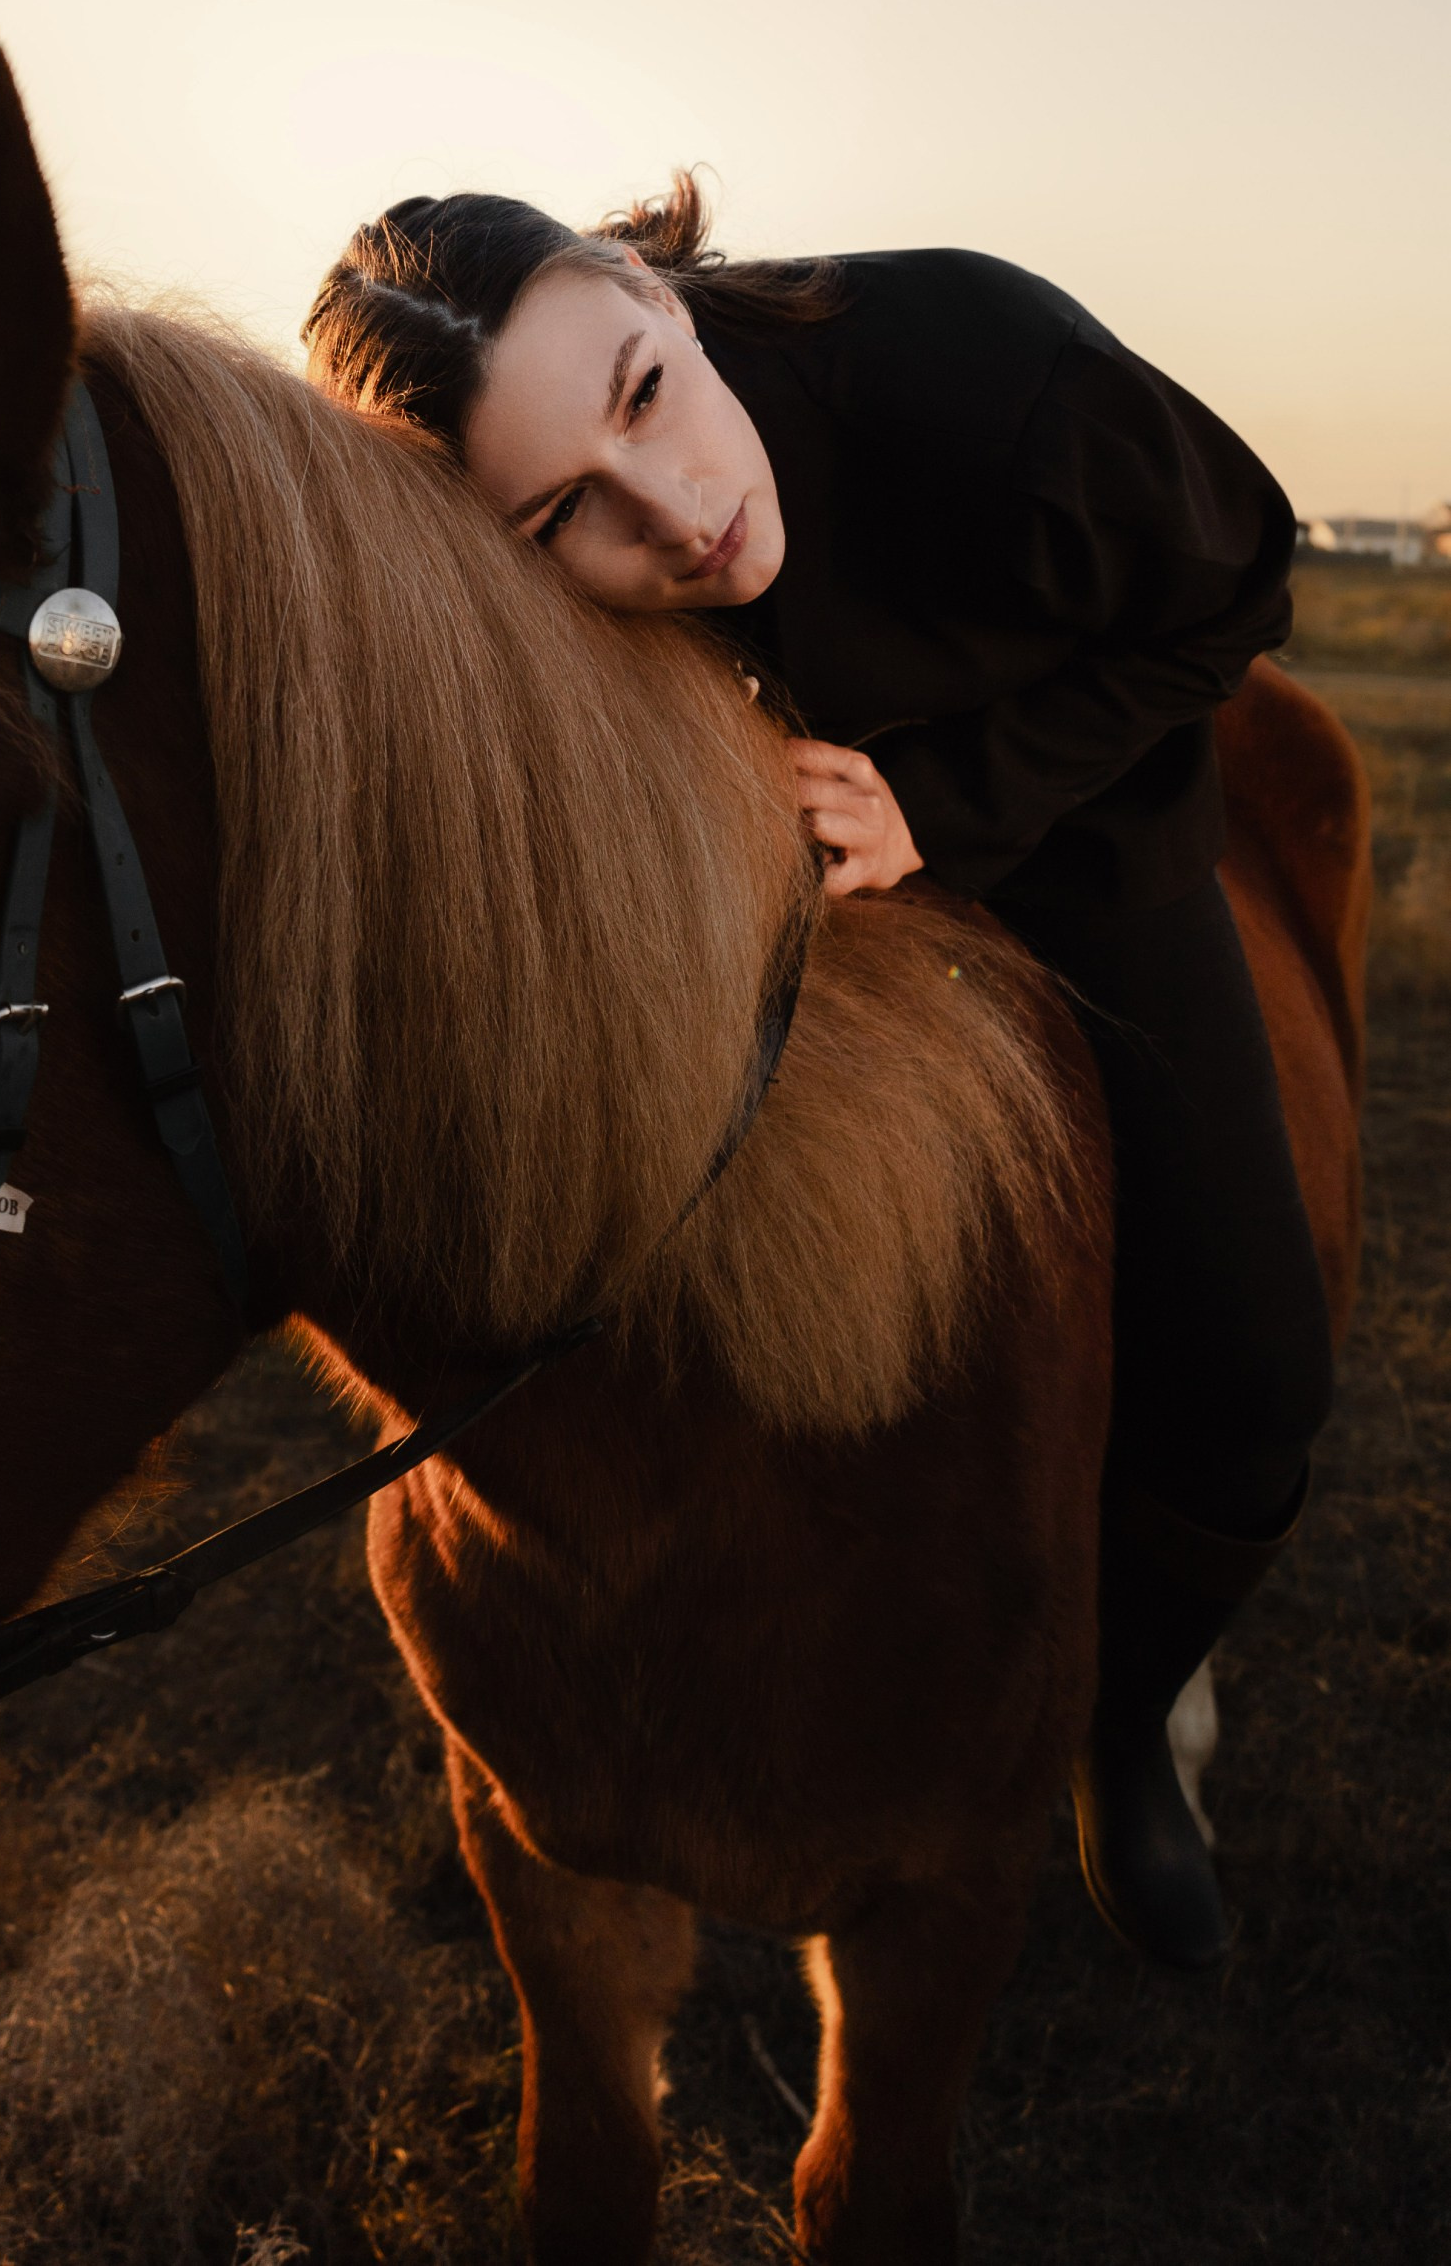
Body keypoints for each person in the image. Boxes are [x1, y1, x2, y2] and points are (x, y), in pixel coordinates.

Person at [301, 175, 1332, 1971]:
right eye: (566, 518)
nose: (678, 513)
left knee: (1251, 1381)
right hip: (780, 886)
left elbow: (1235, 580)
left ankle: (1123, 1723)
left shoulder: (979, 368)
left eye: (641, 395)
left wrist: (944, 806)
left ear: (651, 288)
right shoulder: (518, 567)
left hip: (1082, 839)